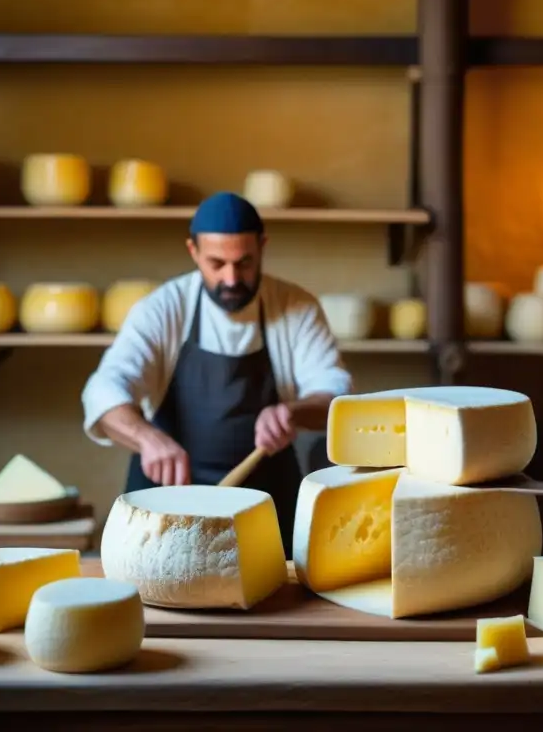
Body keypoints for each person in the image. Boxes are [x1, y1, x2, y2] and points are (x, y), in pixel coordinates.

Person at [81, 191, 353, 556]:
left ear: (263, 247)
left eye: (244, 263)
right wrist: (146, 438)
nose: (230, 278)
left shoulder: (296, 307)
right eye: (216, 263)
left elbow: (335, 392)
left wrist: (295, 412)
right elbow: (103, 389)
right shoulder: (163, 309)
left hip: (266, 506)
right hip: (169, 508)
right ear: (193, 251)